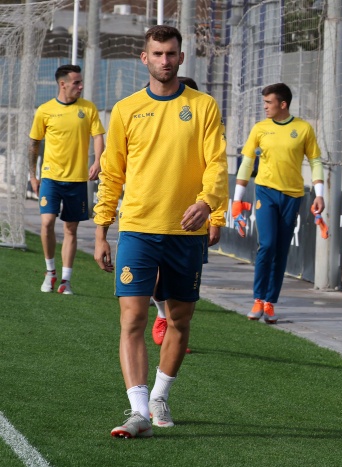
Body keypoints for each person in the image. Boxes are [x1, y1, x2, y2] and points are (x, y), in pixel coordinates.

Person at [93, 25, 228, 438]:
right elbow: (112, 174)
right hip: (137, 228)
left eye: (171, 53)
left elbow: (217, 164)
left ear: (181, 57)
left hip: (185, 233)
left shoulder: (203, 106)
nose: (165, 60)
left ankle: (159, 396)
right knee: (132, 317)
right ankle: (137, 411)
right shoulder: (126, 109)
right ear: (144, 58)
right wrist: (101, 230)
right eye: (157, 53)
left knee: (179, 320)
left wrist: (207, 204)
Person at [231, 83, 324, 324]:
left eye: (268, 102)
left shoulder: (303, 129)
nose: (264, 107)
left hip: (292, 196)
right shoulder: (260, 128)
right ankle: (258, 298)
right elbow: (247, 163)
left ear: (283, 104)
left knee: (281, 249)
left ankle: (270, 302)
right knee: (268, 244)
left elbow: (315, 161)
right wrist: (237, 199)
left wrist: (319, 193)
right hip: (266, 193)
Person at [150, 75, 225, 351]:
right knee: (156, 275)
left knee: (182, 286)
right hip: (157, 217)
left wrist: (216, 218)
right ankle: (162, 316)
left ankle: (174, 328)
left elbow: (218, 173)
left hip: (195, 223)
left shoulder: (208, 124)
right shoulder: (157, 123)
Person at [28, 64, 105, 295]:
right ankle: (50, 271)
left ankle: (65, 281)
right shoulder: (45, 110)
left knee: (71, 229)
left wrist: (98, 161)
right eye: (76, 83)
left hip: (78, 180)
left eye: (81, 82)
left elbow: (98, 136)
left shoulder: (88, 108)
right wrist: (33, 176)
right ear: (63, 84)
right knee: (47, 222)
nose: (81, 86)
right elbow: (34, 144)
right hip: (51, 178)